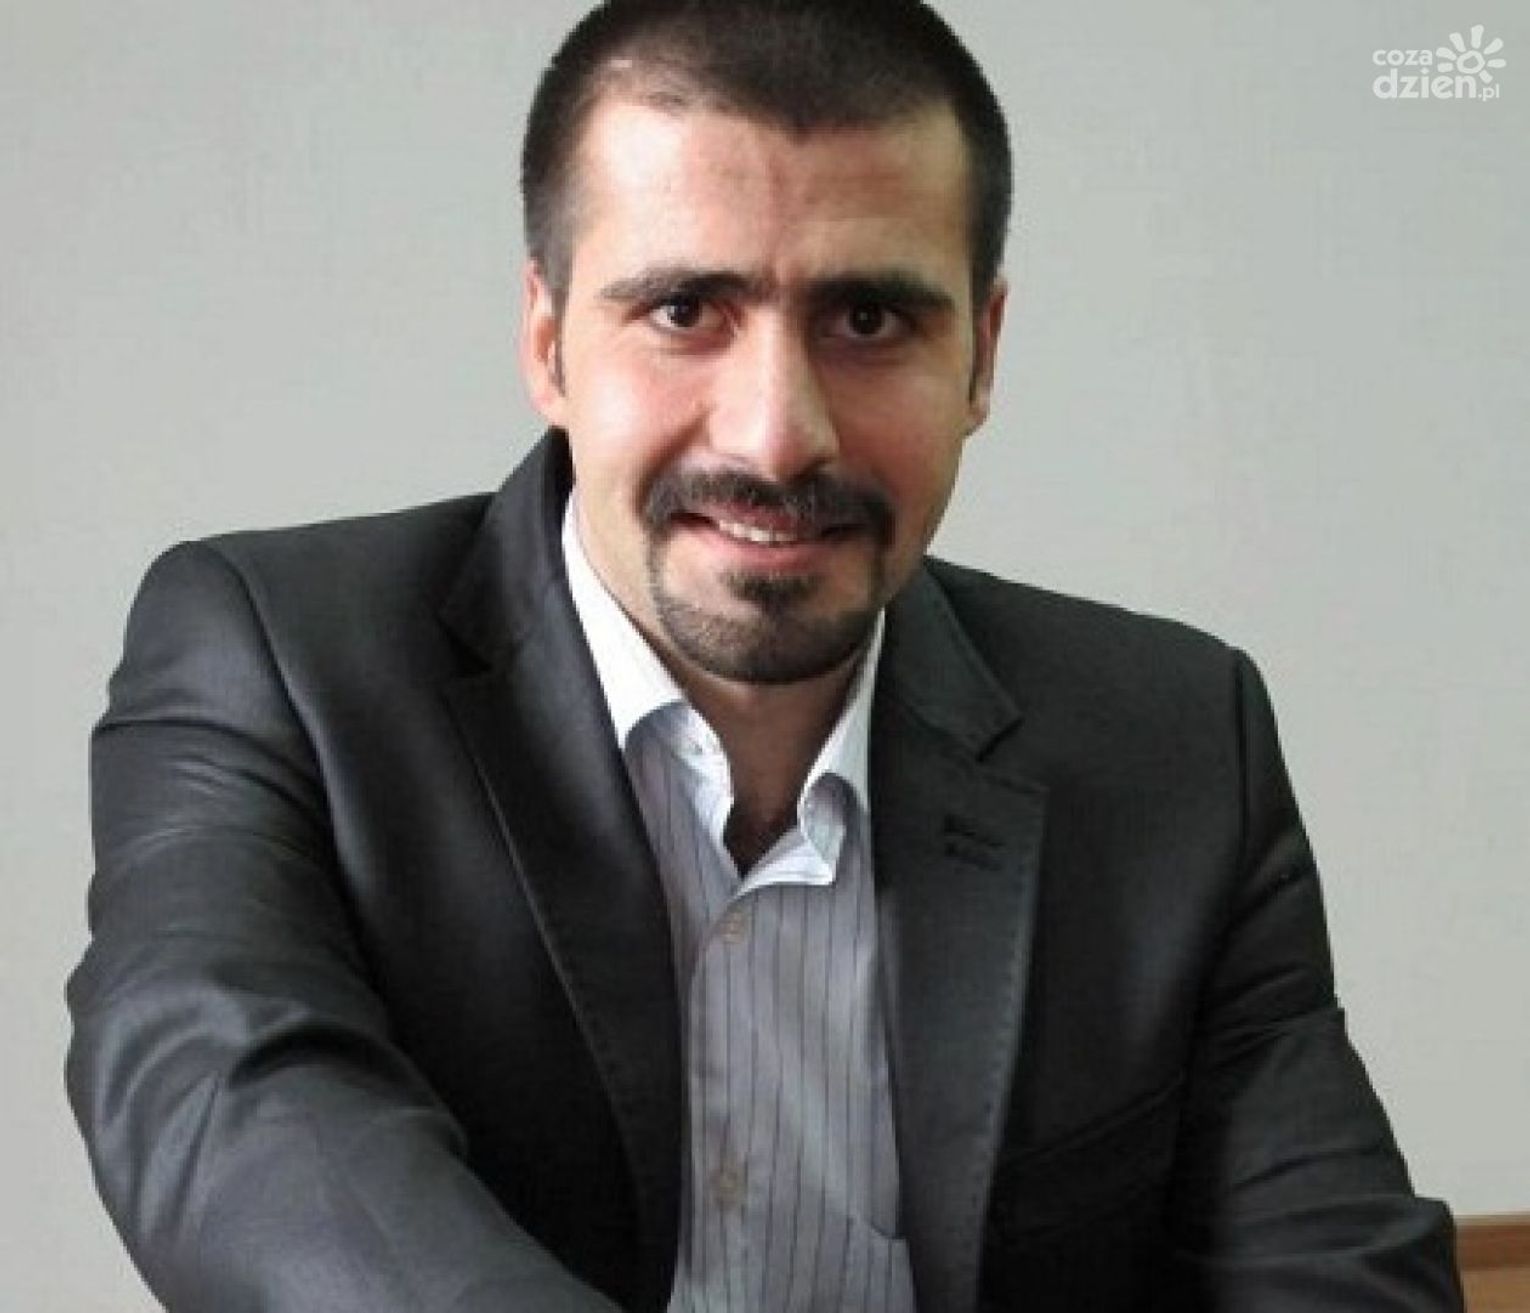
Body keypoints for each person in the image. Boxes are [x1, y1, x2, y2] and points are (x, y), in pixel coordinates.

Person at [66, 1, 1463, 1309]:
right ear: (549, 342)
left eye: (869, 320)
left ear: (981, 356)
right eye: (684, 310)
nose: (777, 433)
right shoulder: (278, 660)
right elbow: (225, 1102)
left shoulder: (1174, 741)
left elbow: (1326, 1265)